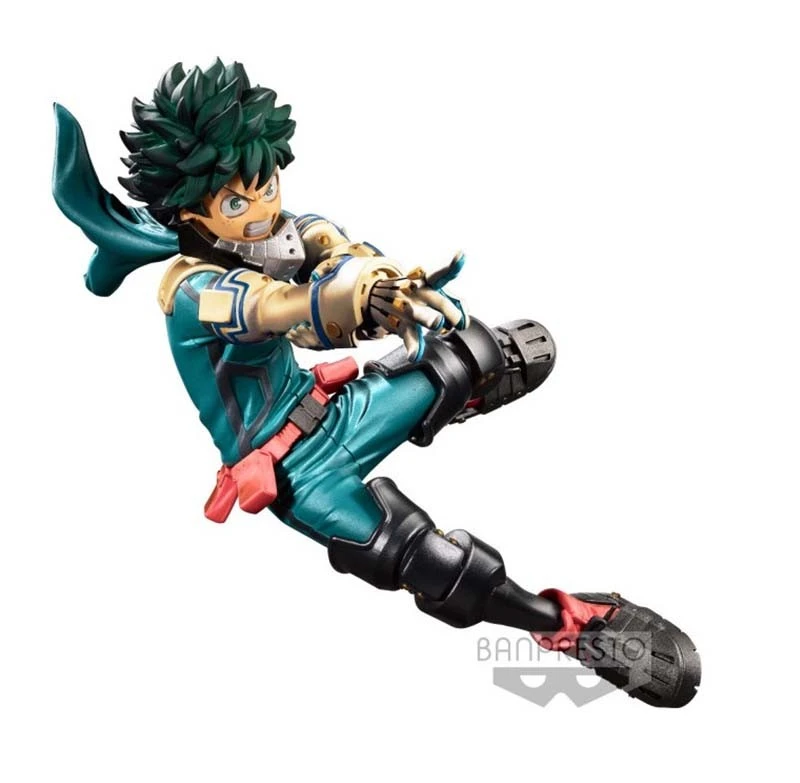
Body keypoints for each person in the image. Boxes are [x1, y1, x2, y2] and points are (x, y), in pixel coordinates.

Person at [52, 58, 701, 707]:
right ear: (188, 210)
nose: (261, 211)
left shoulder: (273, 234)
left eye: (267, 184)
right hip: (296, 476)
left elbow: (332, 246)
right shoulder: (193, 293)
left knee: (470, 349)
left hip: (333, 408)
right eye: (235, 203)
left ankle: (455, 391)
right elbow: (273, 308)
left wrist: (381, 286)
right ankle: (567, 623)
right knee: (431, 566)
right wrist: (347, 301)